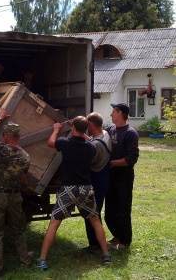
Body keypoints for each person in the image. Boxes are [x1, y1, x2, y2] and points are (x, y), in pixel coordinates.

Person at [37, 116, 111, 271]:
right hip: (86, 188)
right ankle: (106, 256)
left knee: (54, 224)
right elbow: (86, 138)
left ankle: (43, 259)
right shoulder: (91, 147)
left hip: (68, 189)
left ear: (73, 128)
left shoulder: (65, 143)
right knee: (96, 221)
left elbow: (50, 142)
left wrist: (56, 129)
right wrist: (82, 131)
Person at [0, 107, 32, 277]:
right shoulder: (25, 156)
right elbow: (22, 180)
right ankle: (24, 260)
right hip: (15, 196)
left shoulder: (0, 149)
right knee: (18, 230)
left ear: (5, 137)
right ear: (19, 136)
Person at [105, 102, 139, 250]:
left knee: (123, 209)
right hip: (110, 176)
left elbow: (131, 158)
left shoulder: (130, 133)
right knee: (110, 210)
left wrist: (112, 163)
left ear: (120, 113)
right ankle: (116, 236)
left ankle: (125, 241)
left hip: (123, 177)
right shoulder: (110, 129)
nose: (111, 114)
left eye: (113, 111)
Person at [84, 112, 112, 252]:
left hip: (96, 178)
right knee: (96, 211)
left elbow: (90, 163)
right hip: (104, 177)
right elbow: (92, 139)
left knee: (91, 212)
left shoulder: (95, 145)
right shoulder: (105, 134)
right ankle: (97, 243)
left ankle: (95, 245)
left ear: (91, 125)